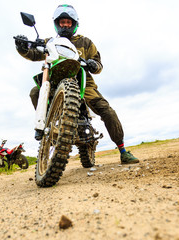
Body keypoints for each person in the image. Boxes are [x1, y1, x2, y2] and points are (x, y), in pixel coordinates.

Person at [15, 4, 139, 164]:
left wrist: (94, 65)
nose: (65, 25)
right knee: (34, 92)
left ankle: (123, 150)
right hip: (55, 80)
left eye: (68, 22)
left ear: (74, 24)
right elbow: (33, 53)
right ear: (57, 23)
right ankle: (48, 128)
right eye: (62, 22)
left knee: (106, 110)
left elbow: (98, 63)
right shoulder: (50, 42)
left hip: (84, 82)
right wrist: (22, 47)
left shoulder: (85, 42)